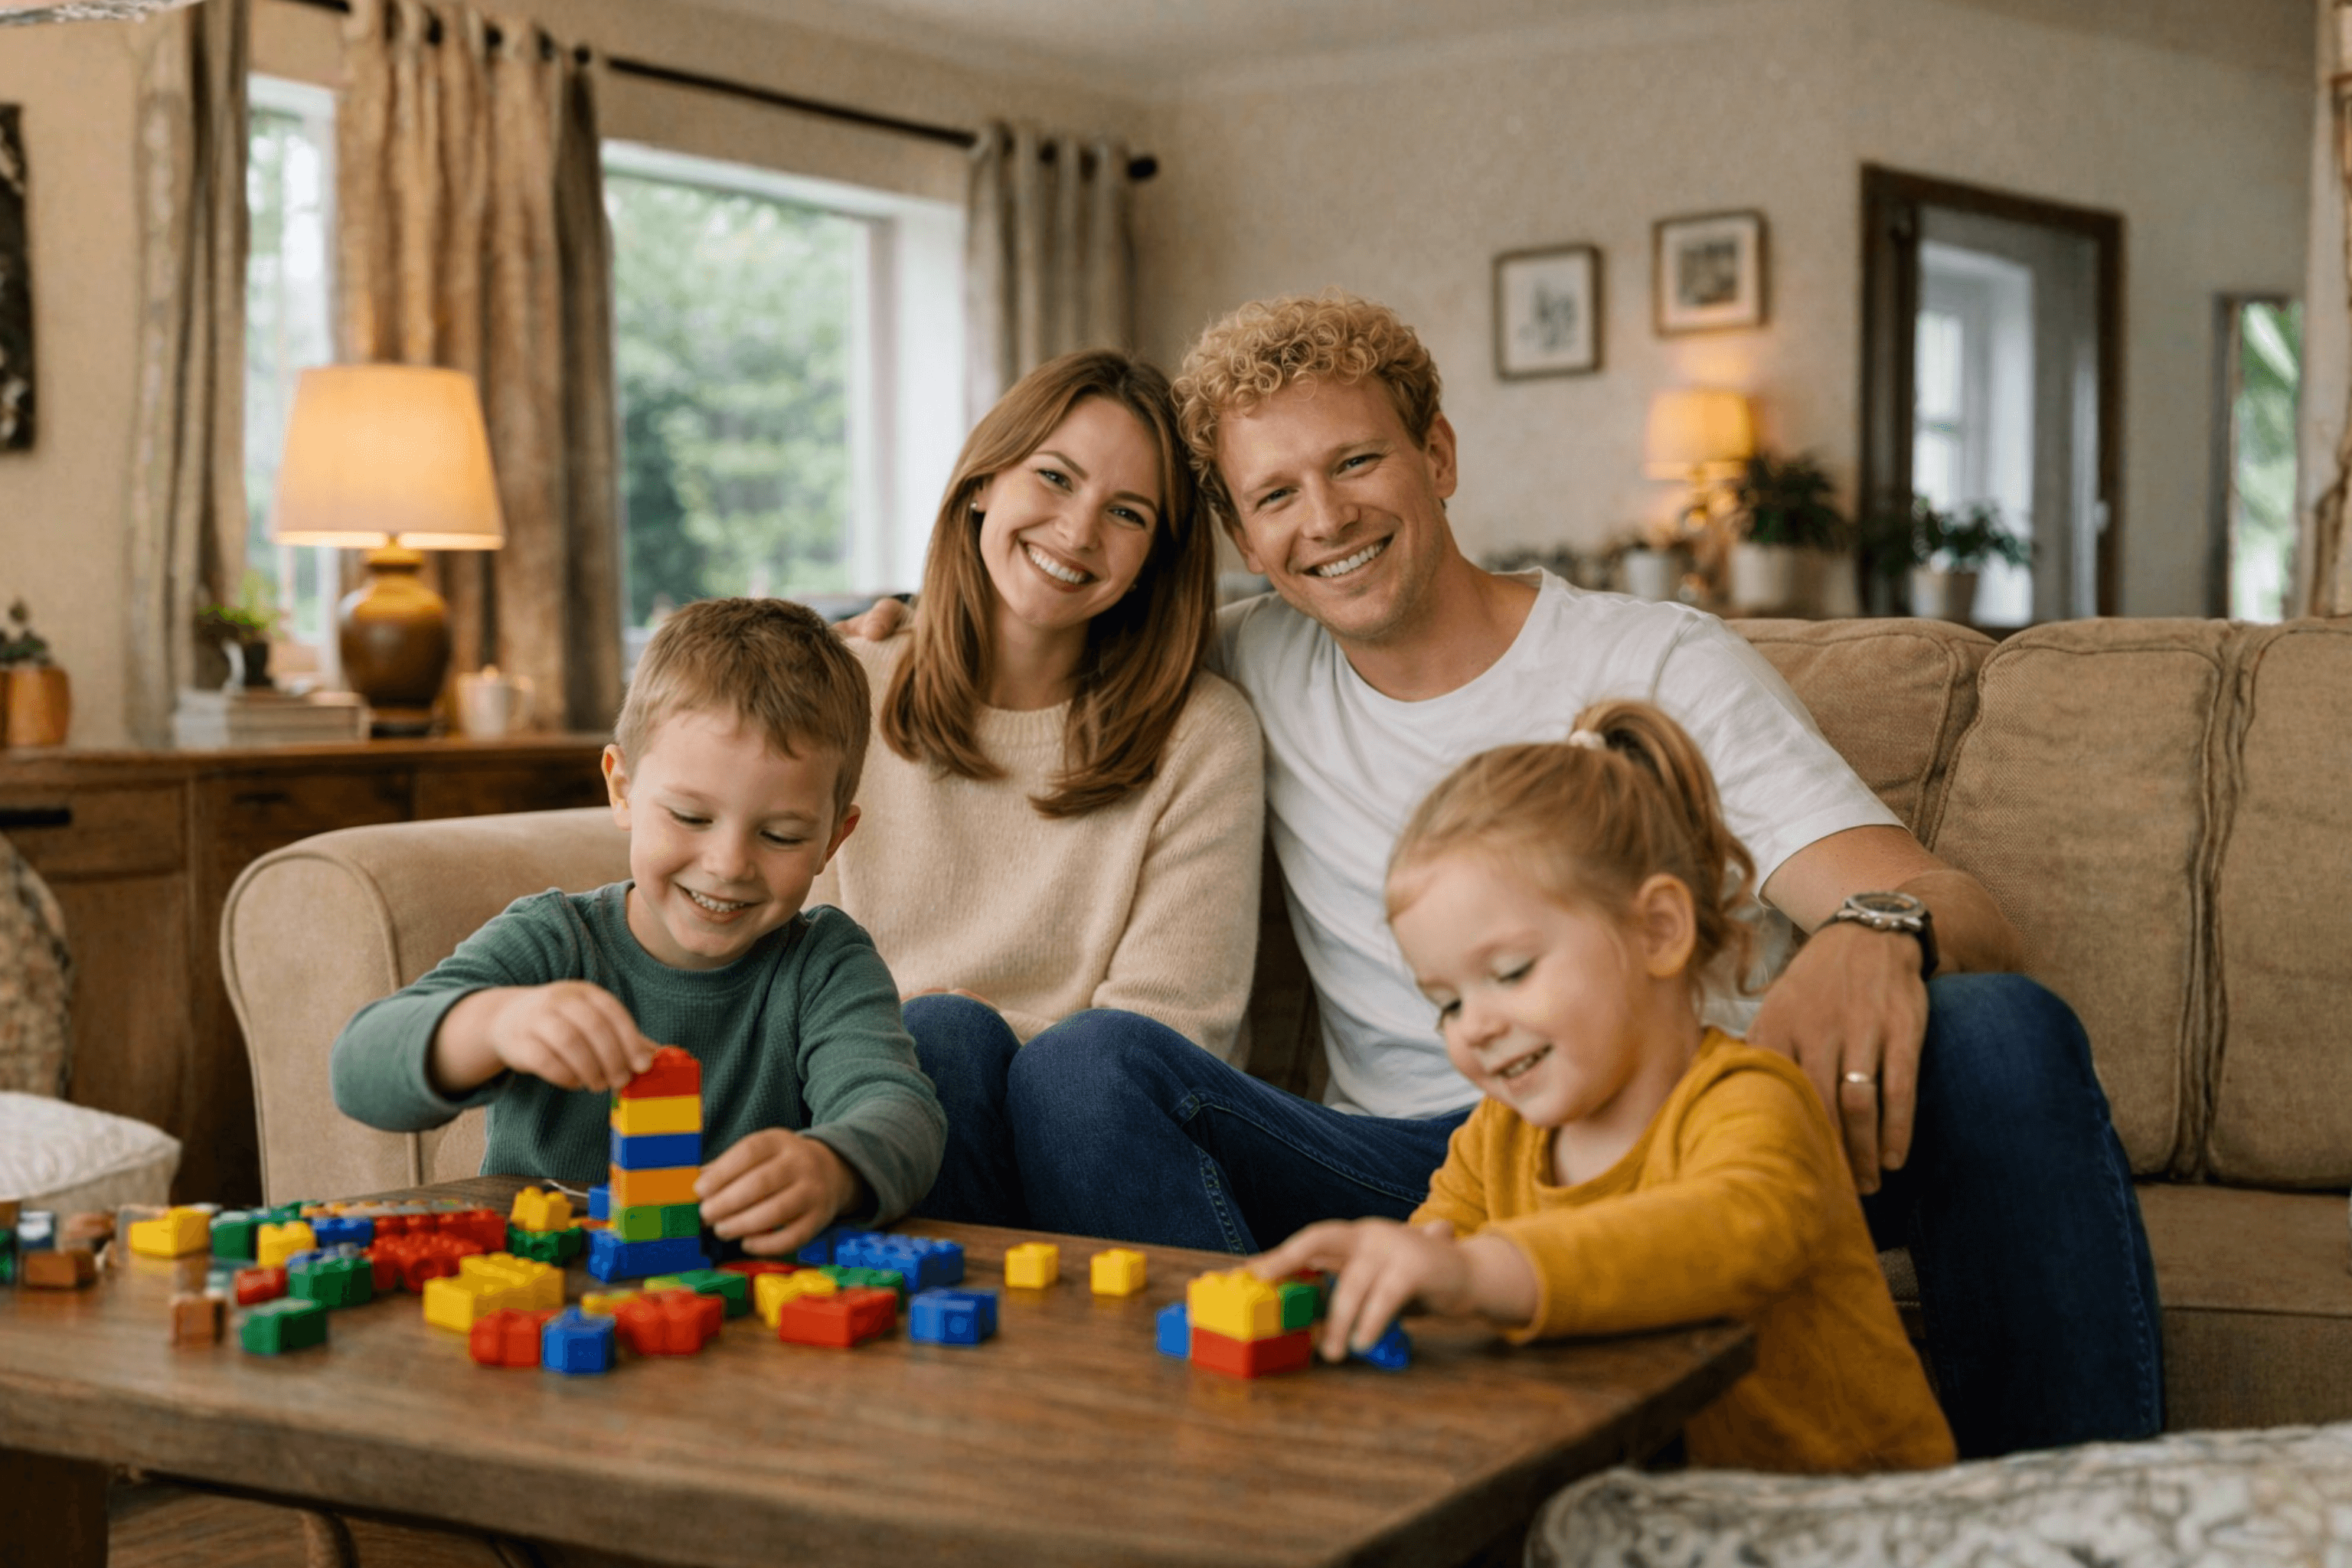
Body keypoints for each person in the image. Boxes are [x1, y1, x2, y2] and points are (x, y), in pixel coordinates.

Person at [973, 290, 2158, 1459]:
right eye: (1275, 494)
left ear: (1437, 456)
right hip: (1428, 1166)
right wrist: (894, 630)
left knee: (1996, 1031)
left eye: (1356, 463)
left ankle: (2074, 1520)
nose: (1324, 518)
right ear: (1241, 537)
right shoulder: (1242, 660)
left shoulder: (1653, 657)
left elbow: (1968, 913)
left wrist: (1873, 932)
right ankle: (1282, 1486)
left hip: (1680, 1138)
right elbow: (1042, 625)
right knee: (1083, 1070)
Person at [1253, 703, 1955, 1473]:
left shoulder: (1752, 1101)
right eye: (1448, 1001)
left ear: (1658, 929)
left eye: (1511, 973)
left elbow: (1718, 1237)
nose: (1475, 1025)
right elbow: (1437, 1244)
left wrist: (1480, 1272)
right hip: (1653, 1512)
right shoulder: (1499, 1134)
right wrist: (1370, 1275)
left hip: (1851, 1521)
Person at [329, 597, 946, 1256]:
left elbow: (899, 1110)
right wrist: (493, 1023)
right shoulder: (554, 940)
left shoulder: (826, 962)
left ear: (833, 839)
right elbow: (359, 1069)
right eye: (690, 817)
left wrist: (836, 1167)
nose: (729, 865)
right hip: (542, 1294)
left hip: (738, 1316)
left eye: (781, 835)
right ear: (621, 788)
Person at [812, 348, 1263, 1227]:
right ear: (983, 482)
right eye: (1054, 477)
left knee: (995, 1047)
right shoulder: (845, 685)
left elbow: (1166, 1033)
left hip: (1098, 1139)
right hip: (876, 1118)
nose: (1077, 530)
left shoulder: (1202, 733)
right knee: (937, 1040)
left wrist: (983, 1033)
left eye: (1126, 512)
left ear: (1155, 557)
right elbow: (786, 971)